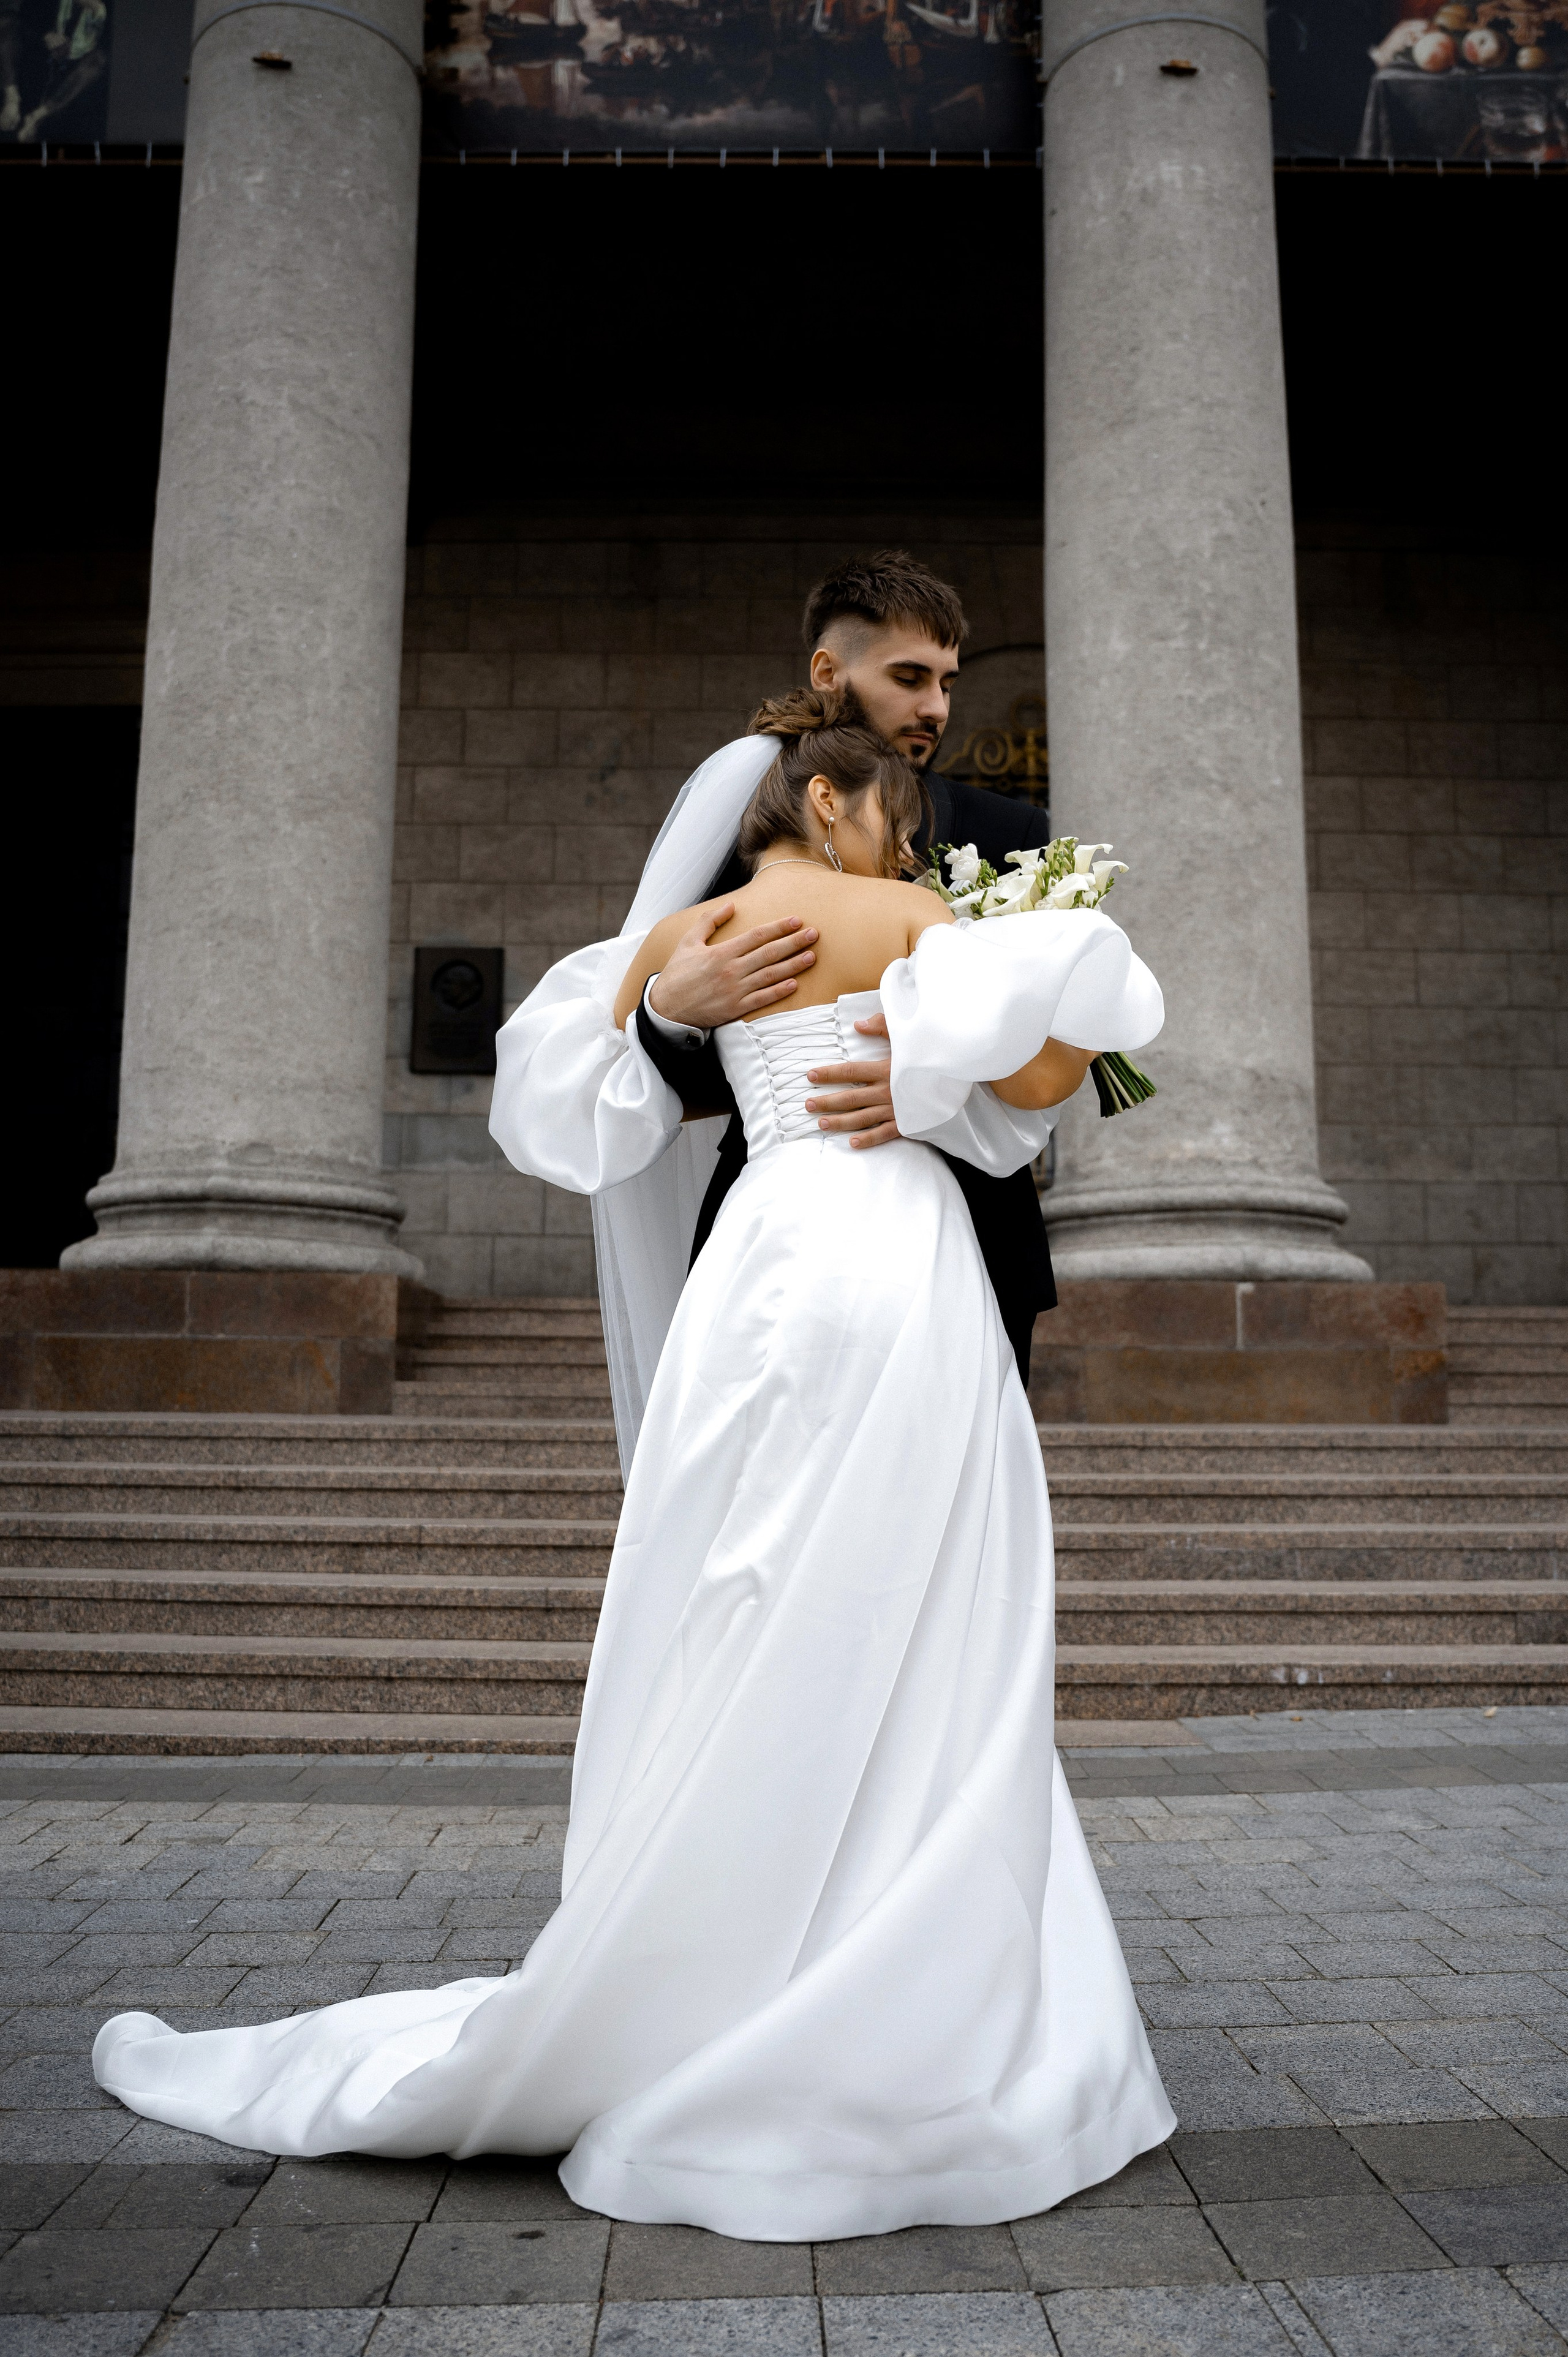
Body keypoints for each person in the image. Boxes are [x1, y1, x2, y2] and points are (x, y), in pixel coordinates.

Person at [92, 691, 1173, 2238]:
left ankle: (702, 1922)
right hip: (894, 1256)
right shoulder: (913, 912)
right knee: (929, 1593)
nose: (914, 830)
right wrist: (992, 1032)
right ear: (826, 800)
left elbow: (584, 1079)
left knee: (741, 1576)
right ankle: (890, 1946)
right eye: (894, 808)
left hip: (760, 1264)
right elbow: (1058, 1072)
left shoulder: (684, 942)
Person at [633, 549, 1059, 1387]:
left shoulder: (1016, 830)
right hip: (778, 1228)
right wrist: (669, 1013)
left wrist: (940, 1081)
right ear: (829, 672)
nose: (934, 707)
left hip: (976, 1218)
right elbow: (685, 1074)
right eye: (909, 676)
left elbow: (1052, 1043)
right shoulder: (742, 834)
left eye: (947, 682)